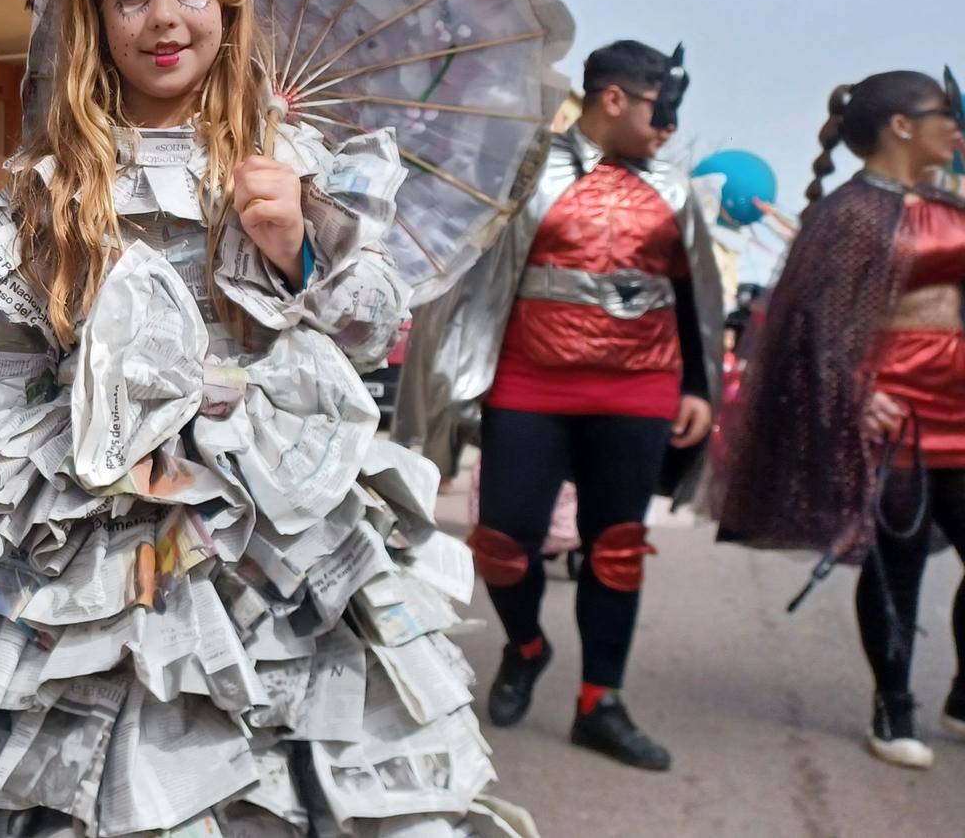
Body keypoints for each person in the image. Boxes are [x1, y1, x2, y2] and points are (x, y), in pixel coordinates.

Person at [0, 0, 500, 831]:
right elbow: (4, 370)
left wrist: (296, 248)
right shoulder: (50, 183)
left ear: (226, 3)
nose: (163, 19)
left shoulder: (296, 156)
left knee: (272, 752)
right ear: (94, 18)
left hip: (274, 504)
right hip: (94, 501)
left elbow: (372, 325)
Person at [399, 40, 726, 771]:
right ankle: (526, 647)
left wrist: (700, 387)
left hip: (638, 387)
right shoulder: (524, 170)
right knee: (502, 539)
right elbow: (470, 268)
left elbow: (700, 297)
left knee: (615, 548)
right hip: (531, 380)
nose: (668, 127)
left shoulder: (675, 190)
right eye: (659, 108)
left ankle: (599, 703)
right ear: (615, 99)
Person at [715, 71, 965, 769]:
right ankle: (894, 708)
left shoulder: (949, 203)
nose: (958, 127)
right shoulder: (848, 214)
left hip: (960, 399)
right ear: (902, 126)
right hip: (892, 406)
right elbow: (814, 327)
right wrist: (857, 393)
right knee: (899, 557)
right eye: (946, 114)